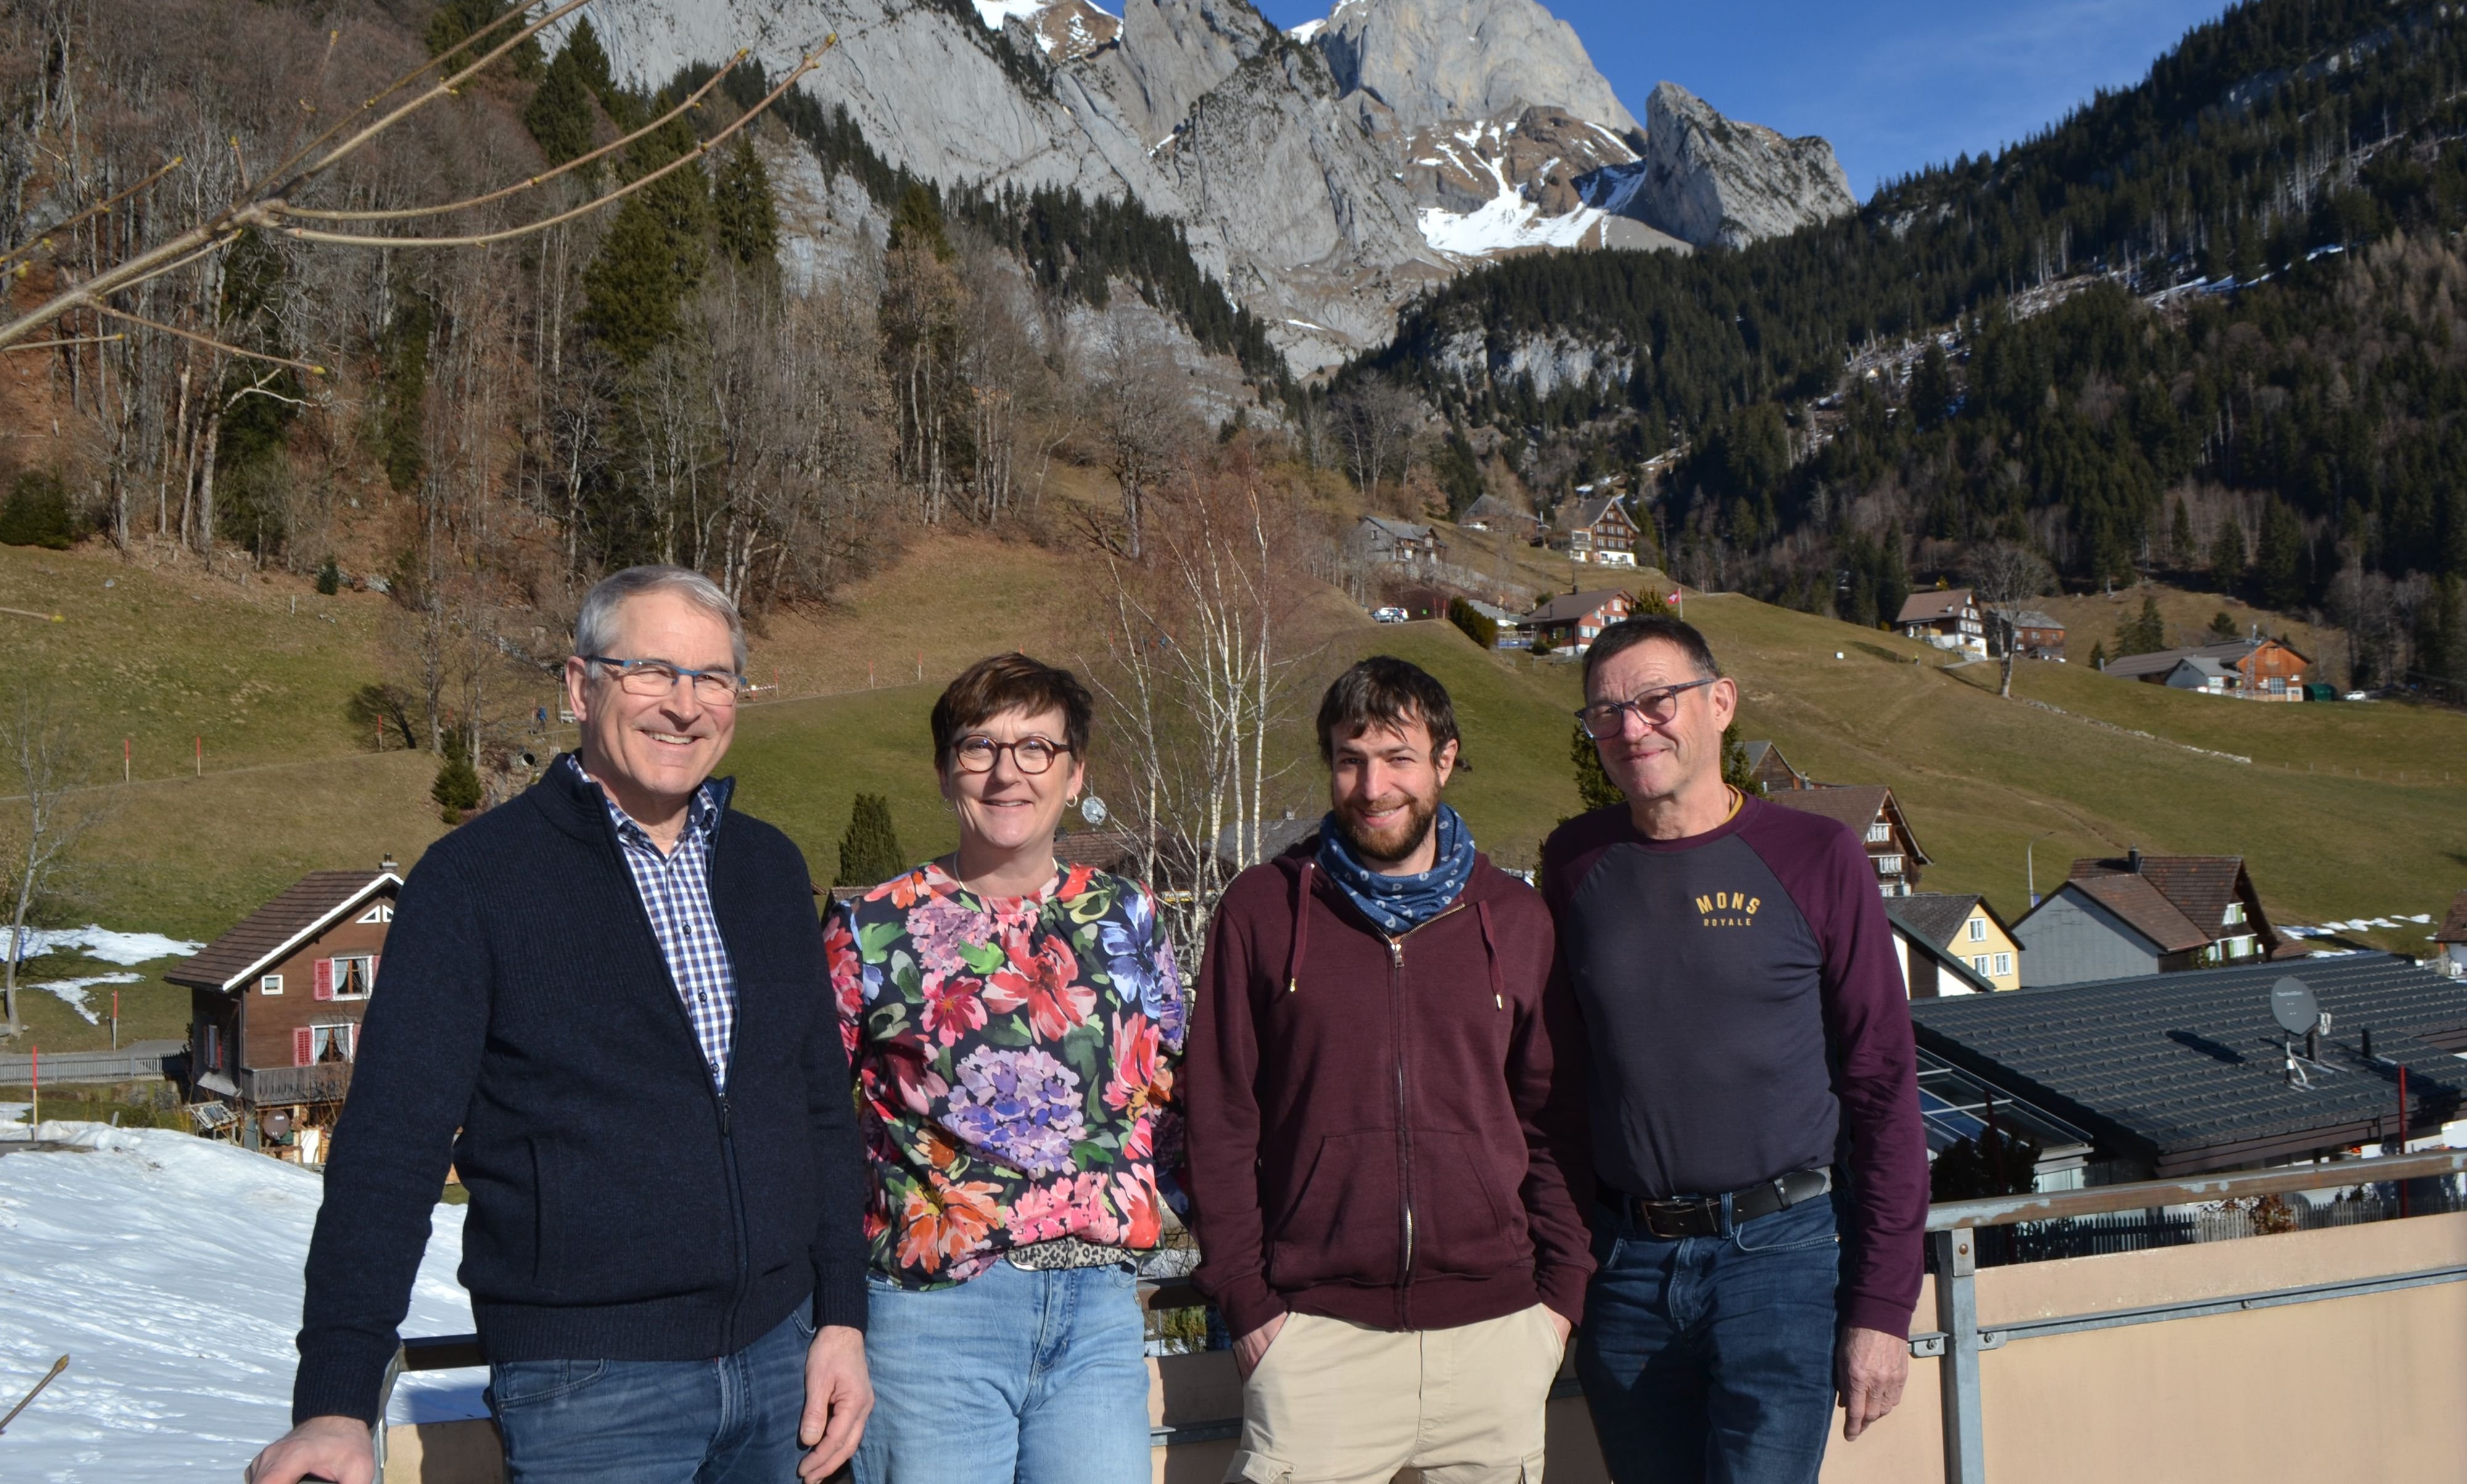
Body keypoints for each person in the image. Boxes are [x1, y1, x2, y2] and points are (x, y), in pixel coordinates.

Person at [245, 566, 873, 1484]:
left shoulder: (767, 868)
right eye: (652, 671)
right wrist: (336, 1402)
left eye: (713, 678)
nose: (686, 705)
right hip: (593, 1391)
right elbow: (389, 1150)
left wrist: (841, 1318)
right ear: (581, 687)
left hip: (785, 1369)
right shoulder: (475, 884)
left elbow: (819, 1109)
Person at [1185, 656, 1593, 1484]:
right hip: (1313, 1342)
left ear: (1445, 761)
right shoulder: (1262, 910)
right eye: (1350, 758)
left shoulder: (1516, 921)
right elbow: (1219, 1118)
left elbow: (1557, 1123)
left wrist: (1558, 1302)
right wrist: (1248, 1303)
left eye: (1399, 757)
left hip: (1495, 1341)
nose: (1374, 786)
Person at [1541, 614, 1925, 1484]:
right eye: (1605, 714)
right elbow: (1556, 1088)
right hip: (1627, 1271)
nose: (1630, 729)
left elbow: (1883, 1087)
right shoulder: (1574, 863)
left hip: (1781, 1260)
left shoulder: (1817, 855)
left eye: (1654, 701)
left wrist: (1882, 1307)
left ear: (1719, 703)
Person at [826, 653, 1184, 1484]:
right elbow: (810, 1116)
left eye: (1035, 749)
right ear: (947, 767)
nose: (1006, 773)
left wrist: (1150, 1206)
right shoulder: (874, 928)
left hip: (1096, 1313)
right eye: (980, 747)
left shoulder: (1127, 915)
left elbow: (1177, 1084)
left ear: (1075, 770)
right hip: (933, 1321)